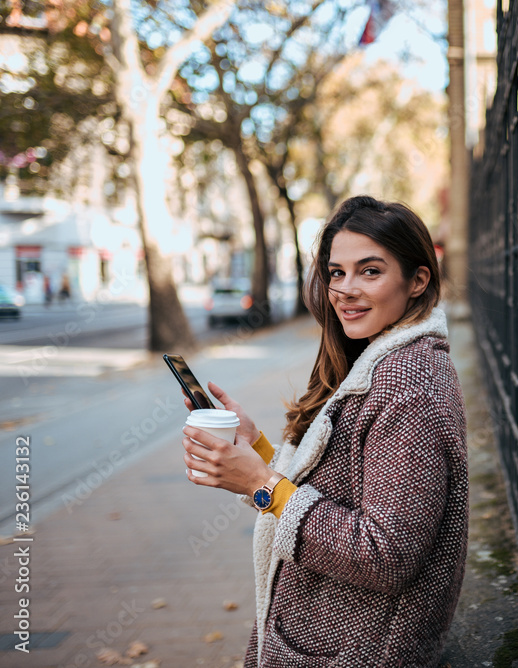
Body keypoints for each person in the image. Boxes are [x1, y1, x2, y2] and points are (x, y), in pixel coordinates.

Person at [180, 195, 469, 667]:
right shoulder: (378, 358)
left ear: (418, 280)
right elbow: (346, 486)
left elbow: (384, 555)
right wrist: (256, 449)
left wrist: (259, 484)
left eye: (370, 271)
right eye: (336, 272)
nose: (345, 290)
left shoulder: (407, 384)